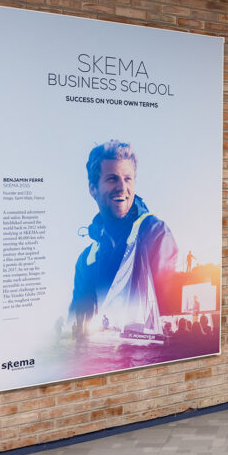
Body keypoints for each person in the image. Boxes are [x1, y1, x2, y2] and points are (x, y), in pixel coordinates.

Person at [69, 140, 178, 339]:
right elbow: (76, 319)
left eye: (128, 179)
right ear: (93, 188)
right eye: (112, 179)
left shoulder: (155, 234)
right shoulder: (86, 260)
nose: (122, 187)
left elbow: (166, 305)